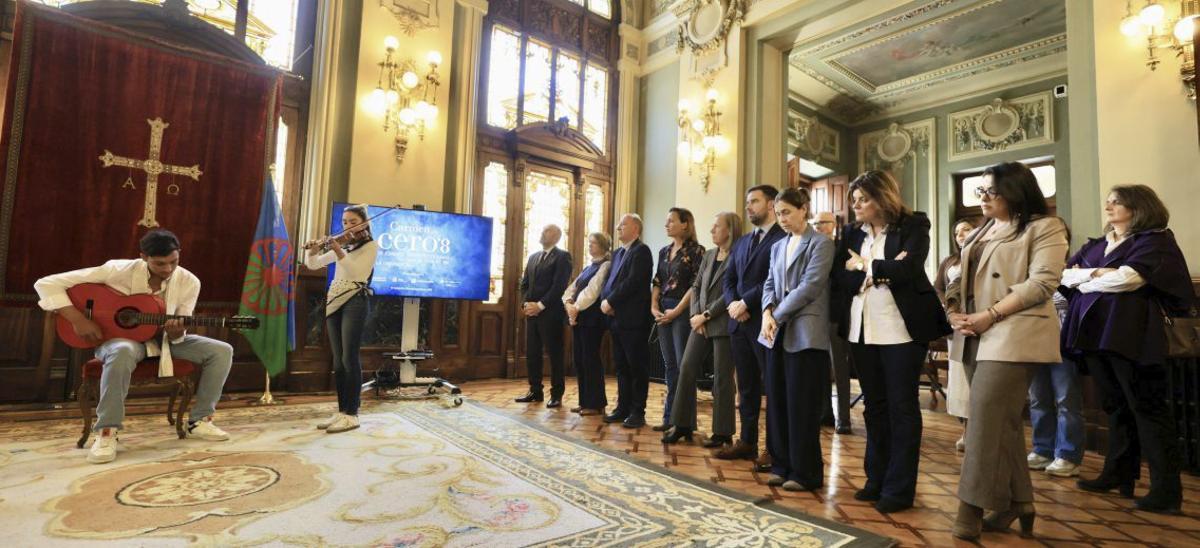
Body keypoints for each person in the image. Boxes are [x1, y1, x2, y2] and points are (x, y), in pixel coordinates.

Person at [945, 162, 1068, 540]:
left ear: (1015, 191)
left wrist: (992, 313)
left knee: (983, 419)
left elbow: (1043, 283)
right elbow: (958, 279)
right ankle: (1019, 503)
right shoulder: (981, 230)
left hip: (1013, 329)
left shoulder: (1045, 227)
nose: (981, 199)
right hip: (973, 332)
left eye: (990, 192)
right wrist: (952, 311)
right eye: (979, 191)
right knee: (1005, 423)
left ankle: (970, 510)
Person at [35, 229, 233, 463]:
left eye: (174, 262)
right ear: (143, 257)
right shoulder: (116, 270)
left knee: (222, 350)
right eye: (160, 264)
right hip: (119, 340)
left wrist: (177, 331)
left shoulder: (189, 281)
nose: (168, 269)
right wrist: (78, 320)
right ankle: (107, 432)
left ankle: (199, 421)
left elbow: (180, 325)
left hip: (164, 341)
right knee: (122, 350)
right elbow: (45, 284)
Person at [1061, 184, 1194, 514]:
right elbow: (1063, 276)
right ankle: (1118, 473)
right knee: (1115, 406)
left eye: (1116, 202)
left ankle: (1166, 491)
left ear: (1138, 207)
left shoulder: (1155, 240)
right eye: (1107, 201)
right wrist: (1097, 273)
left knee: (1147, 409)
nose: (1108, 206)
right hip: (1095, 335)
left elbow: (1130, 279)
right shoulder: (1096, 245)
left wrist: (1087, 279)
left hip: (1134, 337)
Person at [832, 171, 951, 514]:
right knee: (875, 406)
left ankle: (899, 489)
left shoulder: (914, 225)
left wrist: (866, 265)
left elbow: (909, 269)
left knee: (902, 408)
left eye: (863, 200)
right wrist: (878, 268)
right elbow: (841, 275)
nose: (856, 206)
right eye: (853, 200)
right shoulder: (852, 231)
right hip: (862, 328)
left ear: (882, 198)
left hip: (901, 329)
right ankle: (876, 479)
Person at [760, 187, 835, 491]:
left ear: (804, 209)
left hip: (805, 333)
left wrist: (777, 315)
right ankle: (781, 465)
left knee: (801, 405)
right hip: (775, 332)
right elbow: (768, 282)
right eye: (778, 214)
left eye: (787, 212)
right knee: (777, 401)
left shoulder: (821, 244)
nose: (783, 219)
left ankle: (806, 472)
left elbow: (810, 286)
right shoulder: (778, 246)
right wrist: (766, 312)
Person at [717, 185, 786, 469]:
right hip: (739, 323)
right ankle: (746, 441)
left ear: (771, 205)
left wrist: (746, 303)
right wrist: (734, 304)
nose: (748, 207)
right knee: (745, 386)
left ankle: (773, 449)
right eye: (747, 202)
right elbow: (728, 278)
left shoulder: (783, 237)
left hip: (765, 321)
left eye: (754, 202)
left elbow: (776, 278)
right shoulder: (743, 241)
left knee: (771, 387)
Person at [663, 212, 742, 446]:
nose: (712, 230)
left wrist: (707, 315)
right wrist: (696, 315)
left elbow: (731, 292)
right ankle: (682, 424)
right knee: (686, 368)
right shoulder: (708, 255)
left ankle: (722, 432)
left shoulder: (738, 255)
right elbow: (696, 286)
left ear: (730, 229)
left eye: (717, 226)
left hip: (723, 323)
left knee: (722, 378)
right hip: (699, 323)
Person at [304, 205, 379, 433]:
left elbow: (357, 273)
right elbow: (313, 264)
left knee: (349, 358)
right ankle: (341, 411)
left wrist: (338, 249)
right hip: (334, 300)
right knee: (338, 361)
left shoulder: (371, 246)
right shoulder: (346, 244)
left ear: (364, 223)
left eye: (353, 221)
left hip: (355, 301)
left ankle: (352, 414)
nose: (347, 226)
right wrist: (313, 250)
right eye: (345, 222)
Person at [651, 208, 705, 431]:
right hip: (662, 309)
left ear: (685, 224)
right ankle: (669, 418)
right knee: (670, 366)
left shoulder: (697, 251)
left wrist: (678, 311)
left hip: (683, 310)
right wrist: (654, 306)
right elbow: (657, 281)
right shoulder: (664, 250)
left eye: (671, 221)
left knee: (684, 366)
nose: (666, 225)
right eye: (666, 221)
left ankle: (684, 422)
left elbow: (695, 285)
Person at [600, 214, 654, 428]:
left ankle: (637, 411)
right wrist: (606, 300)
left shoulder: (642, 251)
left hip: (633, 320)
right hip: (615, 318)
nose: (618, 227)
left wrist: (611, 301)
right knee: (621, 366)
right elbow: (610, 281)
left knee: (636, 367)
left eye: (622, 224)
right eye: (618, 223)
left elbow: (634, 282)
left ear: (636, 228)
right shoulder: (618, 253)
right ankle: (622, 407)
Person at [512, 224, 572, 408]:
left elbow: (559, 286)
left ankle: (556, 394)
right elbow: (524, 284)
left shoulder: (563, 257)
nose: (541, 233)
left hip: (551, 313)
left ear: (555, 236)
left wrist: (540, 305)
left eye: (545, 231)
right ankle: (535, 391)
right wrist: (525, 304)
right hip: (532, 314)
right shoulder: (533, 257)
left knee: (555, 355)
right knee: (532, 353)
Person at [934, 219, 977, 452]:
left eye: (966, 229)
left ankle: (977, 430)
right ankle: (966, 428)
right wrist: (948, 306)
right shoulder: (949, 261)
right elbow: (938, 286)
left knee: (975, 378)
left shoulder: (982, 253)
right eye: (957, 232)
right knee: (959, 378)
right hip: (955, 321)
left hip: (979, 318)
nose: (961, 234)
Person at [564, 232, 613, 416]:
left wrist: (575, 308)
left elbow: (593, 291)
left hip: (592, 319)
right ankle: (584, 401)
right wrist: (568, 303)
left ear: (602, 245)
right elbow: (573, 287)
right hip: (579, 317)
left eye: (593, 243)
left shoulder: (605, 265)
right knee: (580, 359)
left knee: (590, 359)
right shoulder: (589, 266)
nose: (590, 245)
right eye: (589, 242)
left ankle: (596, 403)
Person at [815, 210, 854, 435]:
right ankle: (824, 413)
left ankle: (844, 418)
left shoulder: (841, 248)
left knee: (839, 368)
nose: (819, 226)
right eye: (817, 223)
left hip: (836, 313)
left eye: (823, 223)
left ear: (833, 225)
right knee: (820, 367)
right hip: (815, 315)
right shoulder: (811, 246)